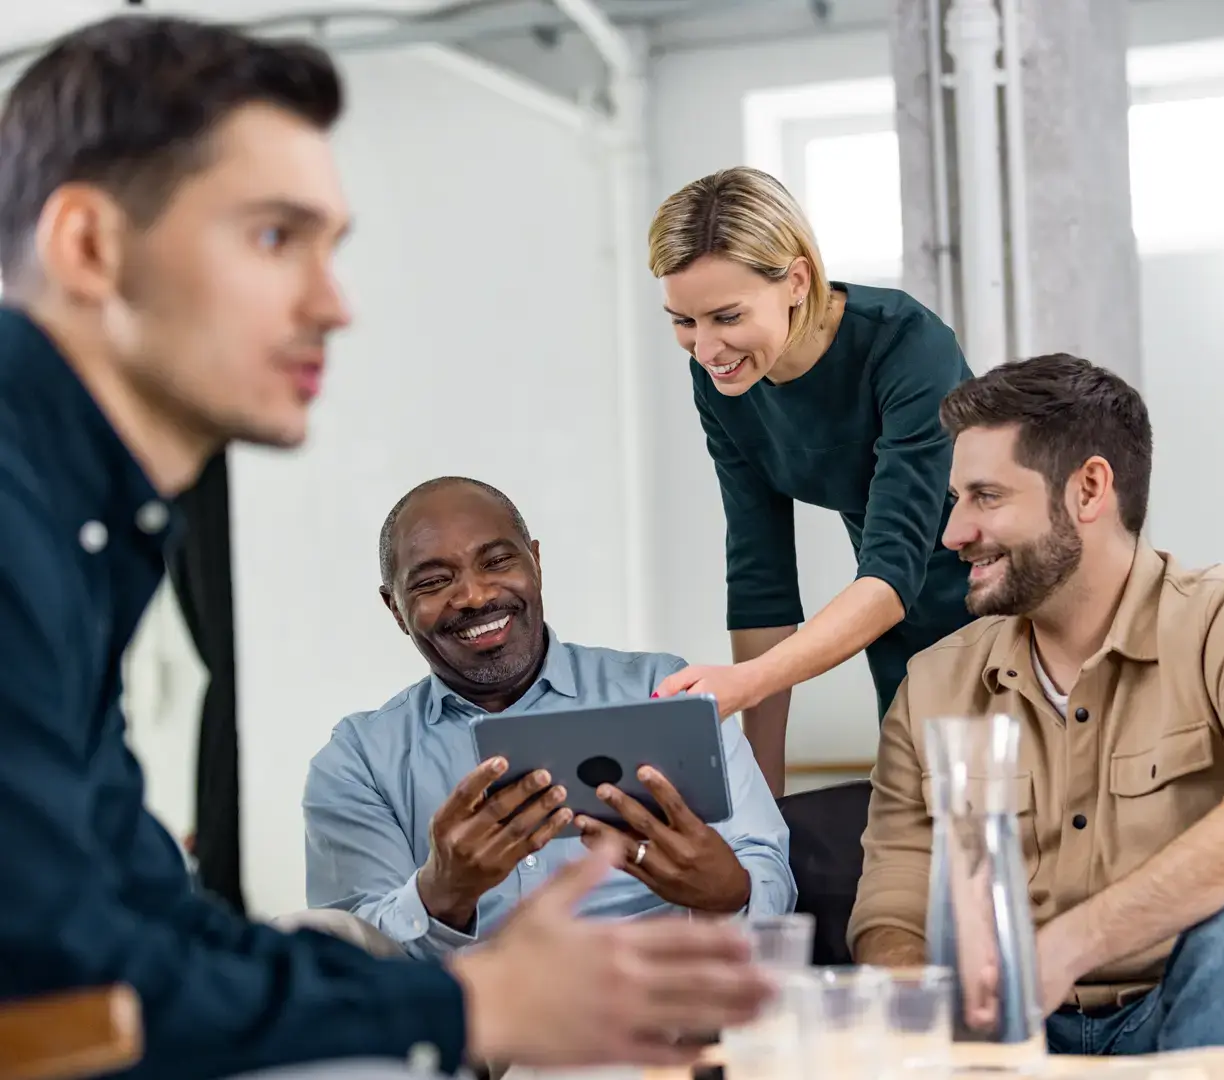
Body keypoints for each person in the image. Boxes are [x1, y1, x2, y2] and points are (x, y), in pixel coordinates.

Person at [0, 15, 770, 1080]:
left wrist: (459, 1000)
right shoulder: (22, 523)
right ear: (89, 244)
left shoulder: (87, 529)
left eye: (333, 247)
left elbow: (140, 933)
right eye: (274, 238)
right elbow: (67, 982)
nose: (334, 304)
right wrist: (466, 999)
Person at [849, 354, 1224, 1080]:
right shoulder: (935, 682)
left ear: (1088, 488)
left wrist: (1066, 945)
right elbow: (893, 908)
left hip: (1221, 1005)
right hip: (1028, 1039)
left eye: (985, 497)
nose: (954, 533)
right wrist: (947, 1022)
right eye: (955, 500)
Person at [302, 476, 795, 954]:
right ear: (395, 609)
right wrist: (440, 895)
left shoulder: (662, 691)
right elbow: (350, 954)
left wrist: (728, 893)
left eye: (496, 560)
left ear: (535, 562)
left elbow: (767, 870)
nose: (475, 596)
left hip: (663, 1014)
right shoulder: (358, 760)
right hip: (473, 1025)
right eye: (433, 581)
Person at [646, 166, 976, 794]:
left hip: (998, 606)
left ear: (796, 280)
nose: (706, 348)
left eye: (726, 316)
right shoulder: (724, 377)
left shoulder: (907, 344)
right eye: (683, 322)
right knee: (924, 822)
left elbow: (892, 567)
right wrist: (761, 801)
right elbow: (760, 574)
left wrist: (747, 682)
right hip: (893, 626)